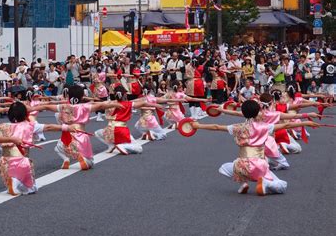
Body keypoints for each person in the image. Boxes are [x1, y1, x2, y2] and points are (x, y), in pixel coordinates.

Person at [191, 100, 319, 196]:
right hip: (260, 166)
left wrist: (198, 126)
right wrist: (306, 122)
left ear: (244, 113)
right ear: (257, 112)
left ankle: (243, 183)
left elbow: (216, 127)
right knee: (281, 186)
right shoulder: (265, 127)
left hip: (241, 165)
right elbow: (287, 124)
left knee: (223, 168)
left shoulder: (238, 127)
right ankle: (266, 183)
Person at [0, 102, 77, 195]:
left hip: (5, 163)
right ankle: (17, 180)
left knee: (14, 177)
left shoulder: (2, 126)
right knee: (31, 189)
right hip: (22, 163)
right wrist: (66, 127)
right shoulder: (30, 125)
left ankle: (13, 180)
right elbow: (49, 127)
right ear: (25, 114)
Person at [32, 85, 122, 170]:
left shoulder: (64, 106)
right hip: (81, 135)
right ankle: (84, 159)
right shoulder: (84, 107)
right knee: (90, 162)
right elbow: (101, 106)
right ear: (82, 97)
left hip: (67, 136)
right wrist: (114, 104)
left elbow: (47, 107)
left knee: (58, 148)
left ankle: (66, 159)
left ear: (68, 96)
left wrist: (30, 109)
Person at [95, 85, 162, 155]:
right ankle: (121, 146)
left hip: (109, 129)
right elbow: (143, 103)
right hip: (121, 129)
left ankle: (111, 144)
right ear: (124, 95)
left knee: (97, 133)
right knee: (139, 148)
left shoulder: (110, 103)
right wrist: (156, 105)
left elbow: (98, 104)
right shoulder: (128, 104)